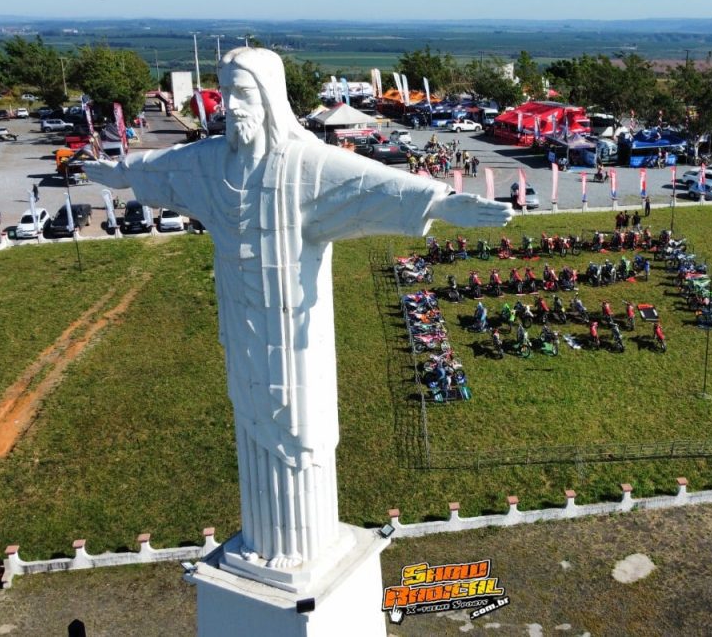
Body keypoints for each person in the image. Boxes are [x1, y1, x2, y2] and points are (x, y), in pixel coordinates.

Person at [84, 48, 513, 570]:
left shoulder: (305, 166)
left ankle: (299, 552)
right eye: (227, 93)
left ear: (269, 98)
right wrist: (116, 173)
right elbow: (159, 168)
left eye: (244, 93)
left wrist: (442, 203)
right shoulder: (208, 163)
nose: (233, 106)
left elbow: (370, 182)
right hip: (242, 333)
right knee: (251, 424)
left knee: (301, 435)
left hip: (293, 342)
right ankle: (265, 548)